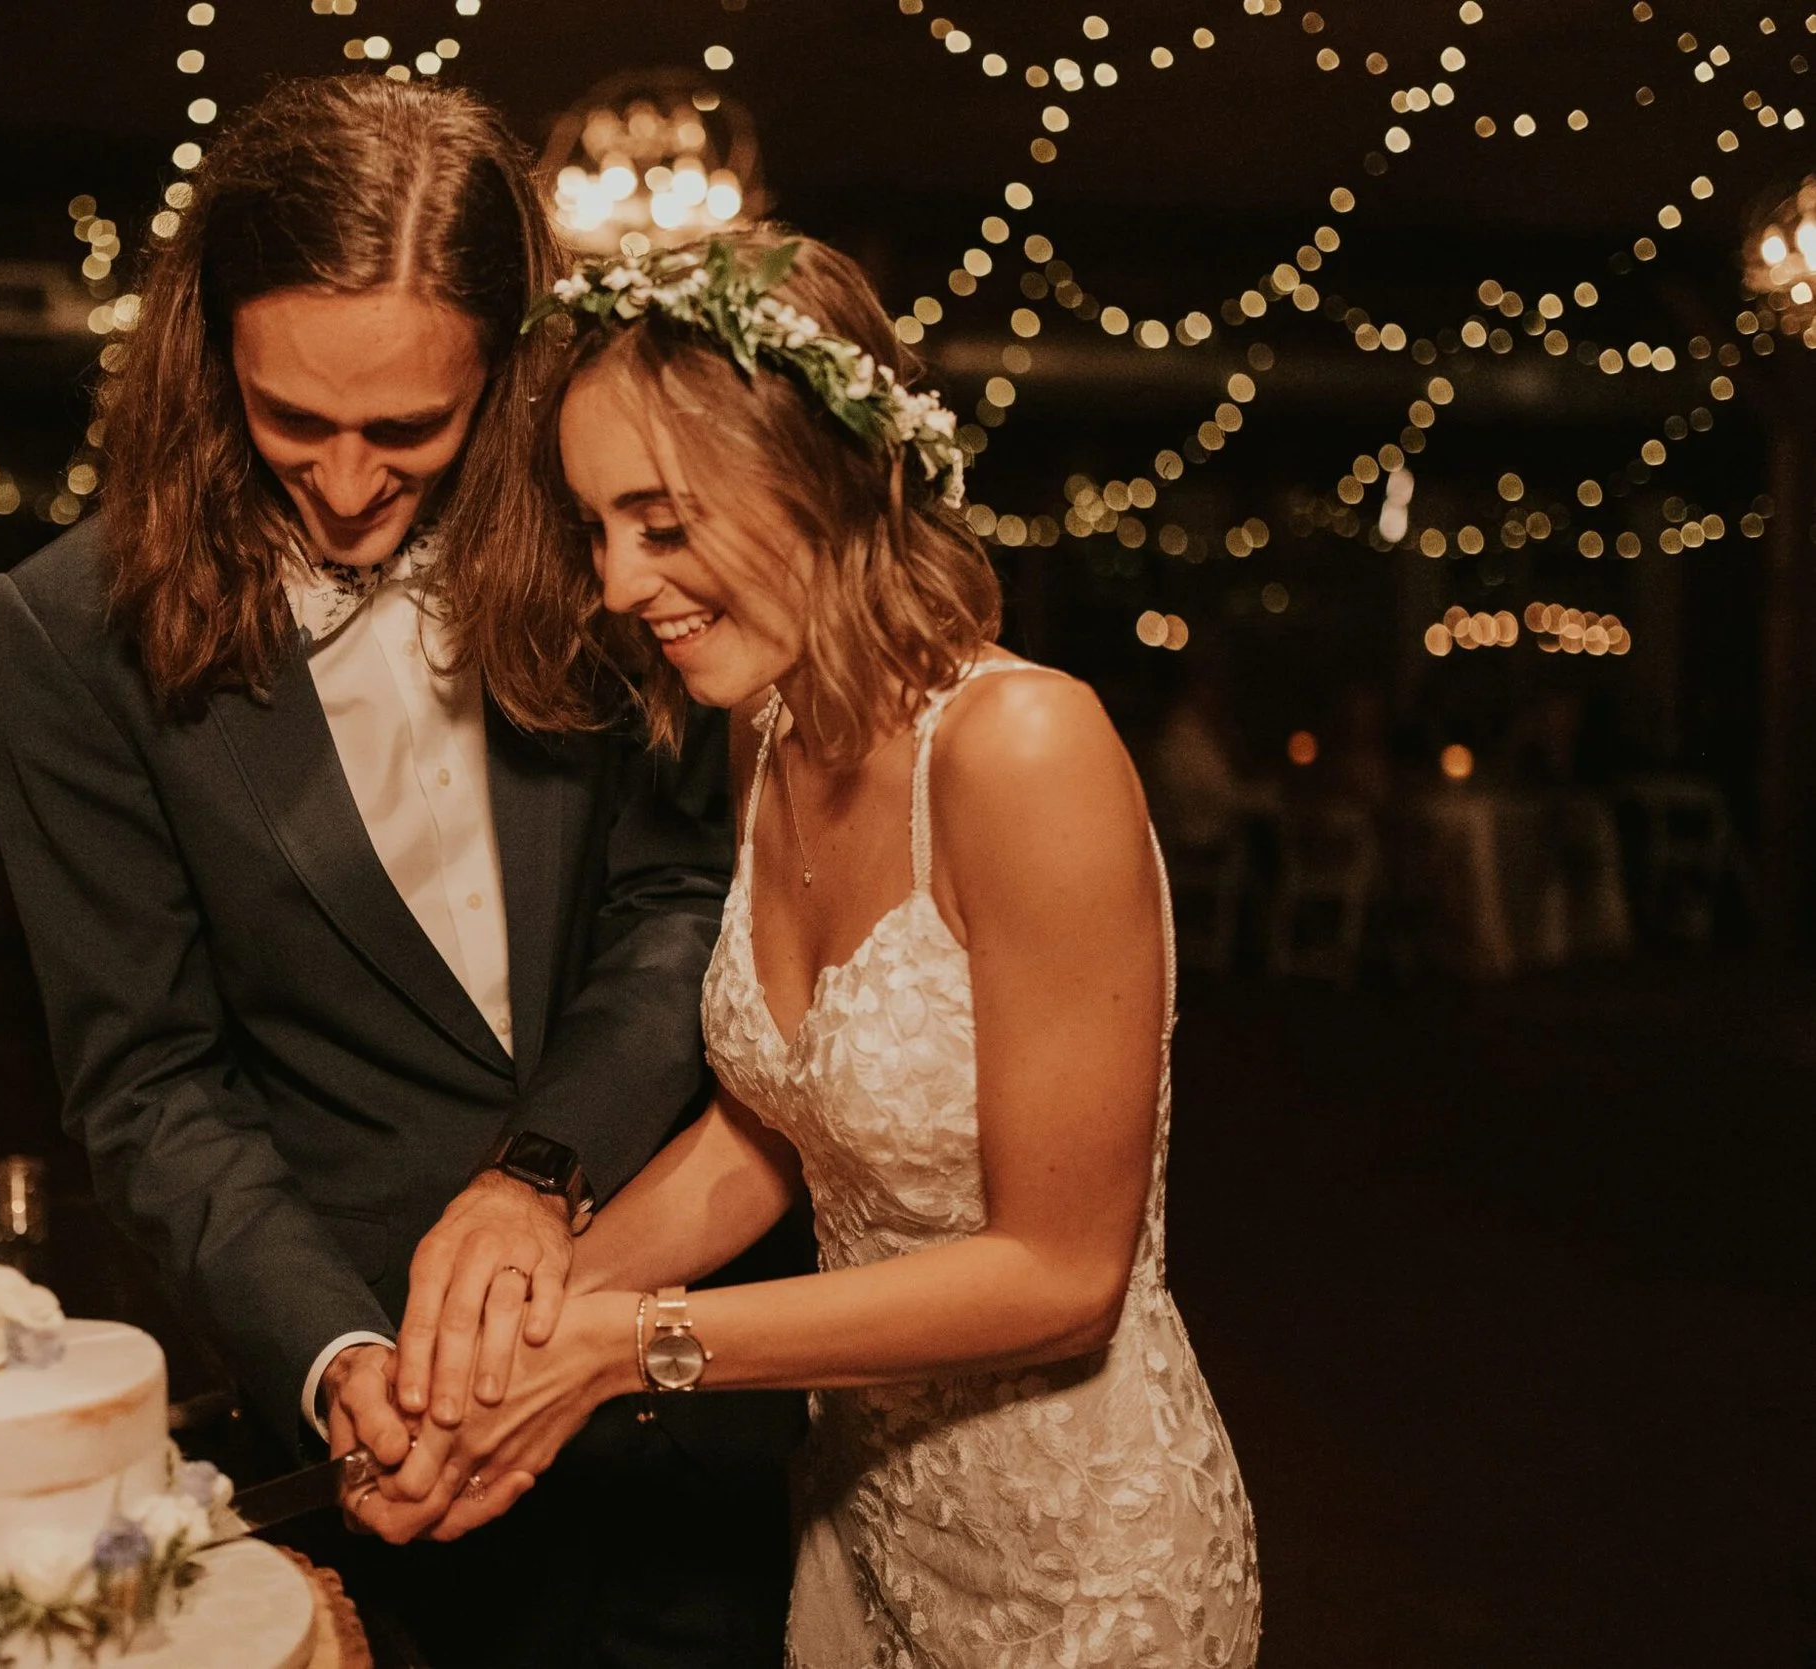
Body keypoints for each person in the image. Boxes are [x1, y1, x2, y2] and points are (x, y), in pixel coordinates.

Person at [0, 76, 796, 1668]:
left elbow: (677, 896)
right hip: (389, 1432)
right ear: (208, 357)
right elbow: (151, 1080)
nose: (349, 486)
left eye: (410, 429)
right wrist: (335, 1353)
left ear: (507, 368)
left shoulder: (604, 542)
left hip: (687, 1379)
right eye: (293, 419)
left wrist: (542, 1172)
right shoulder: (71, 633)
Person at [400, 232, 1262, 1668]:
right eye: (598, 528)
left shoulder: (1023, 747)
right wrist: (517, 1339)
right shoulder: (769, 726)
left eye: (660, 524)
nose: (615, 585)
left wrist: (631, 1347)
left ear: (814, 479)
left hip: (1086, 1569)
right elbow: (778, 1134)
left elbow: (1062, 1276)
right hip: (868, 1517)